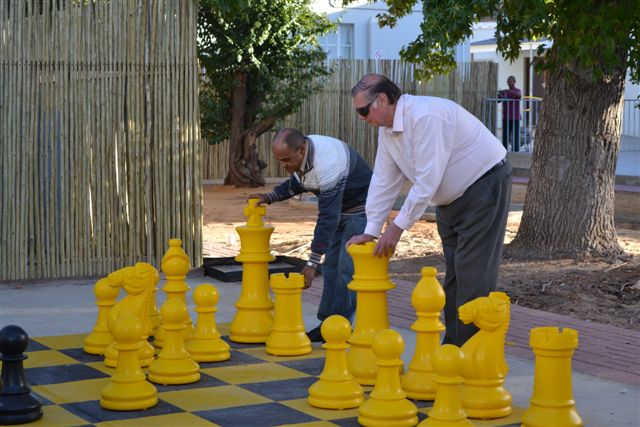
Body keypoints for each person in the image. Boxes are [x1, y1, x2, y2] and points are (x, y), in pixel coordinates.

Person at [346, 74, 512, 346]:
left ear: (383, 99)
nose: (362, 117)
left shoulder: (424, 116)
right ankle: (455, 344)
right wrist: (371, 229)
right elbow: (384, 180)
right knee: (455, 274)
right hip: (448, 199)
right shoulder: (387, 132)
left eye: (364, 110)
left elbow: (427, 179)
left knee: (474, 274)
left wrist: (397, 228)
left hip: (484, 184)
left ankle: (473, 352)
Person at [250, 128, 372, 342]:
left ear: (302, 149)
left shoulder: (328, 163)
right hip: (341, 209)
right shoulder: (304, 155)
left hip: (360, 211)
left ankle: (340, 328)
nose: (283, 165)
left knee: (346, 269)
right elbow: (298, 183)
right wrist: (271, 196)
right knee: (331, 267)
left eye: (286, 160)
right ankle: (327, 324)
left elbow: (328, 217)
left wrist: (312, 263)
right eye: (279, 161)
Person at [498, 75, 522, 152]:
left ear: (514, 82)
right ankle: (504, 150)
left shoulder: (517, 90)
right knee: (505, 135)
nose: (509, 83)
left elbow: (519, 96)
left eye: (510, 81)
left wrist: (507, 91)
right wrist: (499, 94)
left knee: (515, 135)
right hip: (506, 117)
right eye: (508, 81)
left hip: (515, 117)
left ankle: (515, 151)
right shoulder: (505, 92)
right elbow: (498, 100)